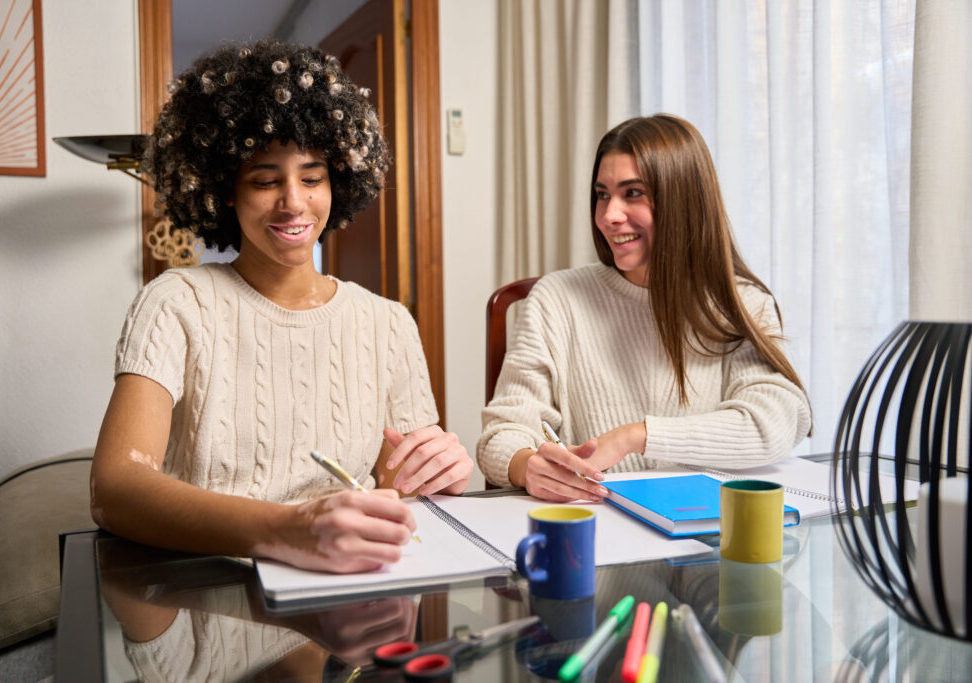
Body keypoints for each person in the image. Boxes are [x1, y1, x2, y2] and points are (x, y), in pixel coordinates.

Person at [91, 40, 472, 574]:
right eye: (266, 180)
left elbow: (398, 485)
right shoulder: (175, 303)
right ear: (226, 190)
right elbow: (116, 488)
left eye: (312, 178)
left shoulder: (387, 323)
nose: (293, 201)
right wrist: (286, 531)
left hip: (352, 608)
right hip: (209, 601)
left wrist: (437, 474)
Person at [477, 114, 812, 502]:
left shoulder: (742, 303)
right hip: (600, 533)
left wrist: (636, 436)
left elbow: (773, 425)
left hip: (709, 535)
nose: (608, 216)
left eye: (632, 193)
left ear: (683, 202)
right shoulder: (557, 298)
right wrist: (526, 465)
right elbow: (502, 433)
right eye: (602, 194)